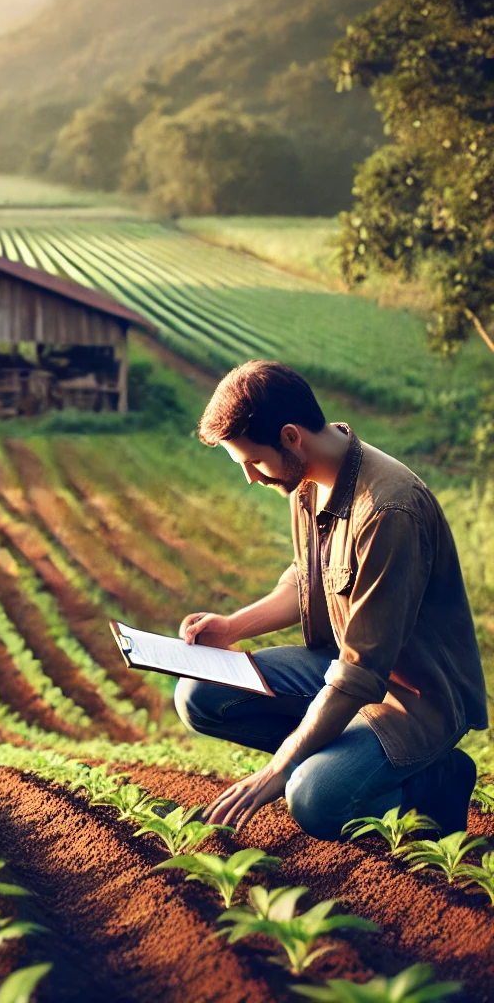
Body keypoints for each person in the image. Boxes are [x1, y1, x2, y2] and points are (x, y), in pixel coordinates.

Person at [176, 360, 488, 841]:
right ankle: (334, 753)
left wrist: (281, 765)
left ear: (291, 437)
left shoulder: (389, 510)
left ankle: (435, 778)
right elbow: (308, 578)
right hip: (337, 665)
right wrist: (234, 626)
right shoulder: (306, 479)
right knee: (200, 693)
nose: (251, 479)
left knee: (314, 798)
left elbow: (362, 672)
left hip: (411, 697)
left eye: (253, 463)